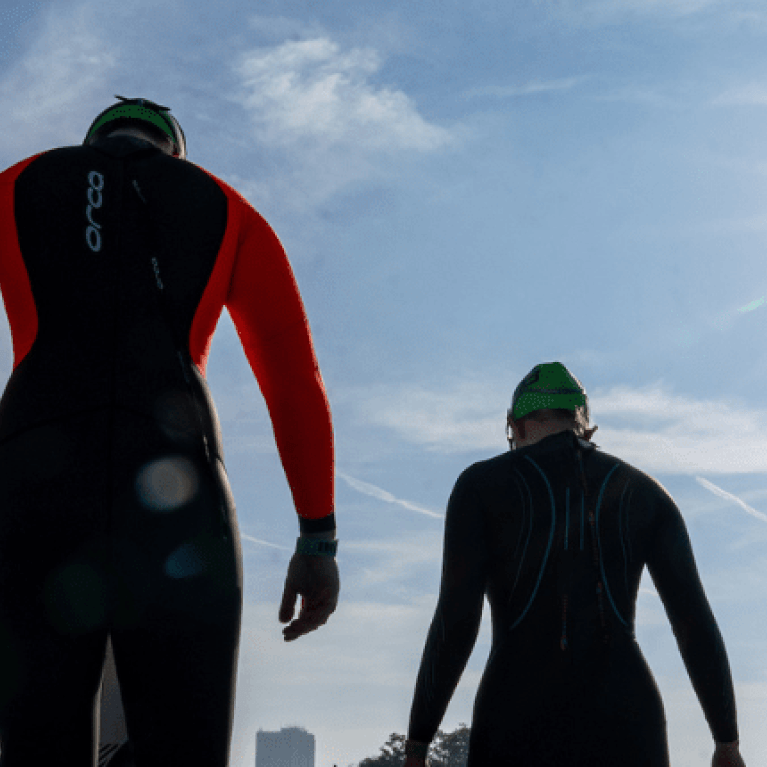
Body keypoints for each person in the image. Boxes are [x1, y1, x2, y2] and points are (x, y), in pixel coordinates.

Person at [0, 96, 339, 766]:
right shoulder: (225, 206)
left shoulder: (18, 182)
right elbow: (292, 378)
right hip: (176, 491)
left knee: (35, 747)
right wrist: (316, 536)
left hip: (31, 481)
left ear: (95, 137)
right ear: (174, 149)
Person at [403, 362, 745, 767]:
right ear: (586, 427)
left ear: (515, 425)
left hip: (515, 717)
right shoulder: (647, 493)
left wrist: (419, 742)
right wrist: (726, 740)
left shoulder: (479, 487)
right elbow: (694, 623)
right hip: (628, 724)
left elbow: (455, 622)